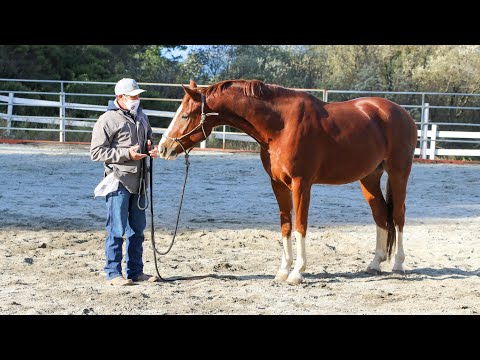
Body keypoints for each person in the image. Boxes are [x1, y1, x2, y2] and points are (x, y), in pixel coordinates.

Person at [90, 78, 159, 286]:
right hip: (118, 180)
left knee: (137, 230)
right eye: (133, 96)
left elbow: (149, 140)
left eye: (138, 96)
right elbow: (96, 152)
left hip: (140, 181)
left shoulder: (142, 117)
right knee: (117, 229)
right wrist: (126, 153)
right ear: (120, 97)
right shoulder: (107, 120)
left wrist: (151, 149)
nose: (137, 99)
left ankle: (135, 271)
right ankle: (113, 273)